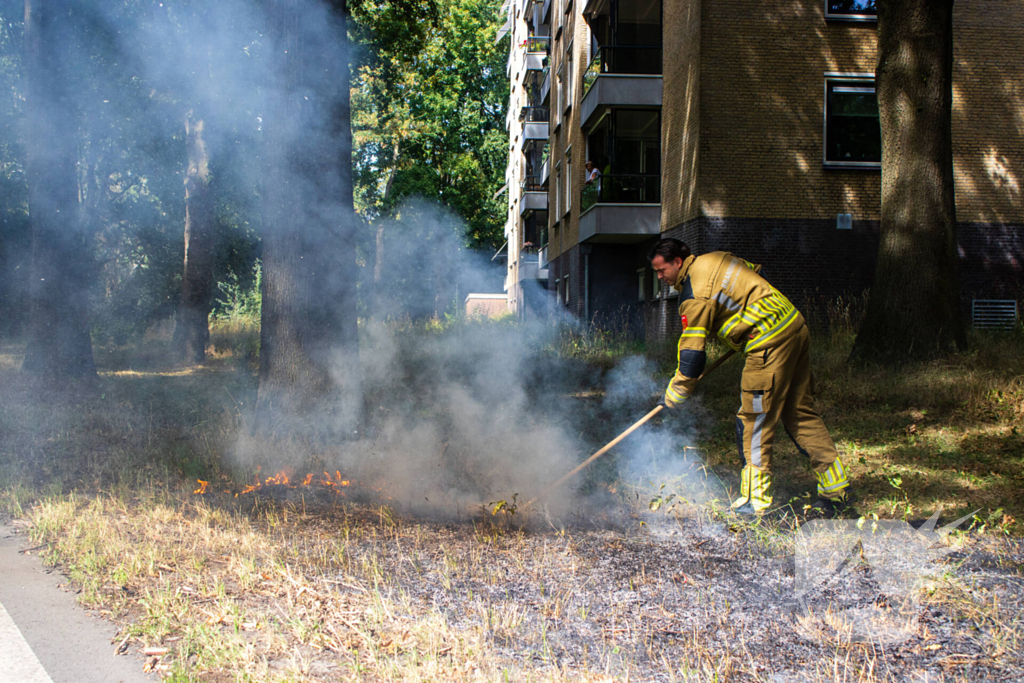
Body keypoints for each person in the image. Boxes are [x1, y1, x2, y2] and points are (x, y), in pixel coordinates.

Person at [648, 238, 851, 517]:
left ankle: (755, 502)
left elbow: (692, 359)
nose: (660, 277)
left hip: (768, 344)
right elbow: (758, 274)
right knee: (799, 413)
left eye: (662, 270)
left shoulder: (694, 296)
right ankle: (836, 489)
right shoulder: (717, 257)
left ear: (677, 262)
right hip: (793, 325)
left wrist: (673, 396)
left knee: (754, 422)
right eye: (656, 272)